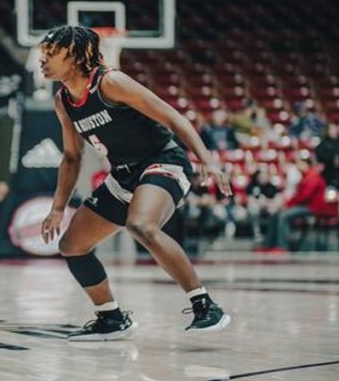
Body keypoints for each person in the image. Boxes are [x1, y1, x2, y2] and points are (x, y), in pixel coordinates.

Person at [38, 25, 232, 341]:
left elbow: (172, 116)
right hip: (124, 173)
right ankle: (111, 318)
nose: (43, 61)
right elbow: (72, 158)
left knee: (141, 225)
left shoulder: (110, 82)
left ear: (73, 56)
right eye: (42, 55)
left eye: (51, 54)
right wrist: (57, 209)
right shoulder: (63, 101)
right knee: (72, 246)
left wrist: (207, 160)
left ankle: (205, 305)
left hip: (163, 160)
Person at [259, 155, 333, 252]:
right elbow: (298, 196)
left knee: (283, 216)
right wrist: (287, 204)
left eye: (299, 164)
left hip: (312, 208)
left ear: (305, 164)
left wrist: (289, 205)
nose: (297, 166)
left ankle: (283, 246)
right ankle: (268, 245)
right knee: (276, 214)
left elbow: (304, 197)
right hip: (304, 206)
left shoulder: (313, 177)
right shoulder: (306, 176)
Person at [315, 123, 339, 189]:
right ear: (328, 131)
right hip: (329, 174)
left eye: (334, 129)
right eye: (331, 129)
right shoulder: (323, 144)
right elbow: (320, 158)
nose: (333, 131)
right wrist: (332, 157)